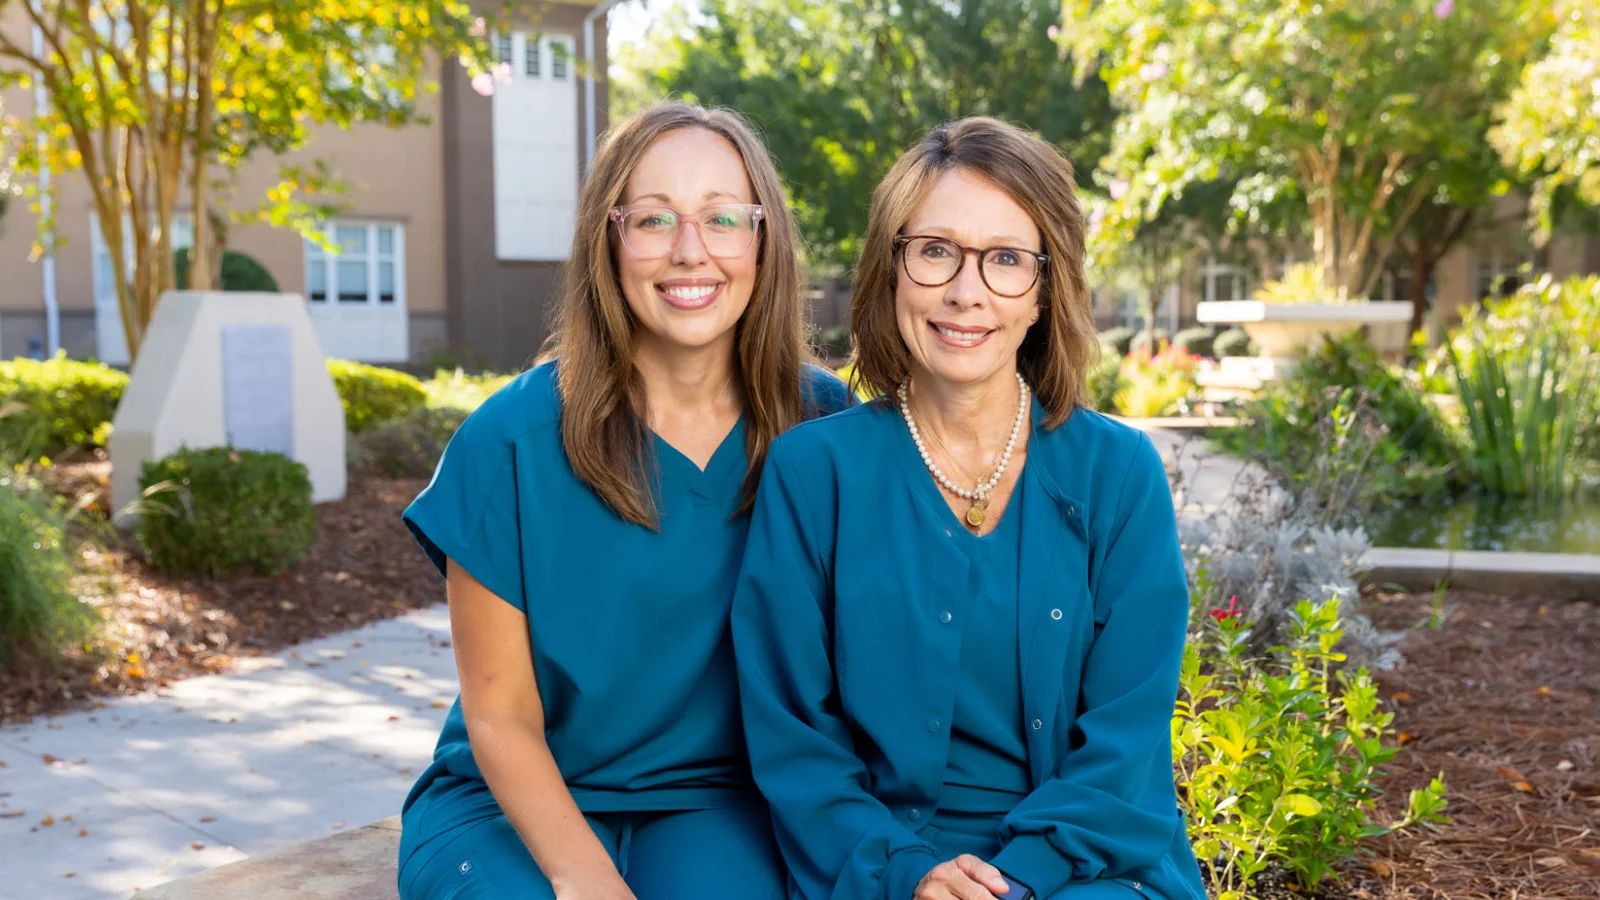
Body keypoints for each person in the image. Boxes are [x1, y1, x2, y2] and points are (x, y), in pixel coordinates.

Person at [731, 117, 1207, 900]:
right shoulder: (813, 473)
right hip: (877, 866)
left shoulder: (1118, 474)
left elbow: (1126, 740)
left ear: (1045, 291)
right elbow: (795, 738)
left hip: (1085, 864)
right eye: (935, 251)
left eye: (1006, 260)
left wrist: (1014, 881)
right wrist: (907, 874)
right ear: (892, 268)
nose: (966, 291)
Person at [396, 101, 854, 900]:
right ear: (608, 239)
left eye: (722, 217)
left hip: (718, 804)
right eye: (653, 218)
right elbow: (500, 718)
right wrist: (586, 880)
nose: (690, 250)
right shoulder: (508, 442)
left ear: (763, 238)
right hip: (511, 803)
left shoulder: (824, 427)